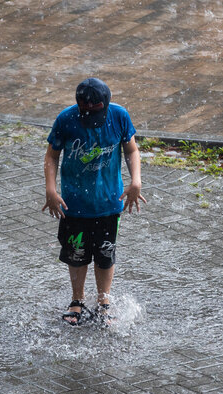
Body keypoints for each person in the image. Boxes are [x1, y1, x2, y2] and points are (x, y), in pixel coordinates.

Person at [42, 78, 146, 325]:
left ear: (106, 105)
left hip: (108, 202)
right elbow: (51, 155)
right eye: (85, 113)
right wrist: (50, 189)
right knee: (76, 254)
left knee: (105, 252)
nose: (89, 118)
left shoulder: (119, 116)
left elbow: (131, 150)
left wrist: (136, 181)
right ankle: (77, 300)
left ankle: (103, 301)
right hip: (73, 204)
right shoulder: (66, 119)